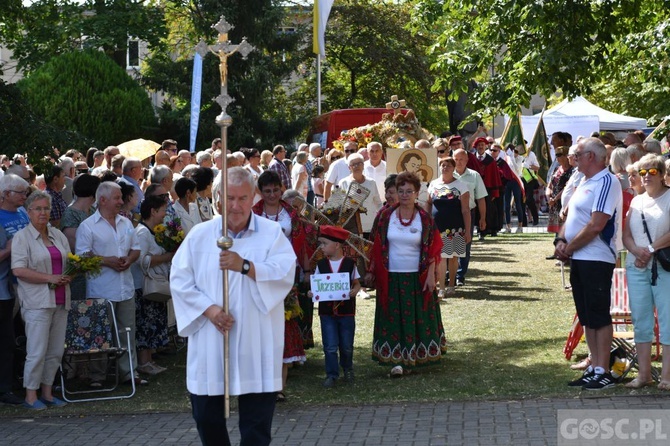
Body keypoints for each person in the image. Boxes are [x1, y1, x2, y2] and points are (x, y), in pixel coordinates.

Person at [170, 167, 296, 446]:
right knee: (206, 415)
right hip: (210, 338)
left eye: (242, 198)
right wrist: (209, 309)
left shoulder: (271, 233)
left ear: (254, 197)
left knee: (256, 424)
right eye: (229, 198)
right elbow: (179, 280)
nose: (236, 206)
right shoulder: (200, 235)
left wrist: (246, 266)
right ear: (217, 198)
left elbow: (286, 273)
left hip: (256, 338)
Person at [555, 137, 622, 390]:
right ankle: (595, 366)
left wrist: (569, 248)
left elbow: (597, 224)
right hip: (580, 258)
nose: (574, 158)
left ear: (591, 157)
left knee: (598, 314)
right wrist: (561, 239)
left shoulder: (607, 181)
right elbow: (571, 216)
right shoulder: (584, 181)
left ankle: (604, 370)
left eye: (578, 154)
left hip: (596, 257)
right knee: (586, 315)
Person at [366, 172, 446, 377]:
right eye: (400, 191)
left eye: (409, 191)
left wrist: (431, 276)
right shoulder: (385, 216)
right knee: (393, 317)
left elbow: (433, 249)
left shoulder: (425, 219)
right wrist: (371, 271)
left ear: (417, 193)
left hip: (417, 277)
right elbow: (376, 246)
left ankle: (416, 357)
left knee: (415, 317)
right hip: (391, 277)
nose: (404, 195)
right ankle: (396, 361)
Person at [75, 181, 144, 386]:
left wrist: (129, 260)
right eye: (117, 198)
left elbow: (136, 248)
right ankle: (98, 376)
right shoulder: (87, 226)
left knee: (127, 332)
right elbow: (82, 256)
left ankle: (129, 373)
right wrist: (107, 261)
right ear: (102, 200)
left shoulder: (125, 223)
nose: (121, 202)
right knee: (100, 334)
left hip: (125, 287)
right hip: (101, 289)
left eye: (121, 197)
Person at [11, 191, 72, 409]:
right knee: (36, 351)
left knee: (55, 351)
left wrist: (71, 273)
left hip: (61, 299)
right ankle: (30, 396)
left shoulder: (58, 235)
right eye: (38, 209)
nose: (43, 213)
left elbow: (69, 261)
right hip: (37, 302)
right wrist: (49, 278)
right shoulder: (21, 238)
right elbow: (18, 269)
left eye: (46, 208)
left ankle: (47, 393)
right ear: (28, 212)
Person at [622, 154, 670, 389]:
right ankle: (644, 374)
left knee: (668, 320)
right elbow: (626, 234)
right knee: (641, 322)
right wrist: (637, 252)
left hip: (663, 268)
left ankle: (667, 377)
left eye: (652, 172)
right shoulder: (636, 201)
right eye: (643, 173)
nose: (647, 176)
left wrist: (649, 249)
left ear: (662, 174)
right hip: (636, 266)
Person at [312, 225, 361, 388]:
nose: (322, 247)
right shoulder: (321, 265)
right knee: (330, 345)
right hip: (327, 313)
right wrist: (312, 293)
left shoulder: (349, 264)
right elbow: (316, 286)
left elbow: (356, 283)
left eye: (324, 243)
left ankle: (347, 368)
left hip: (346, 312)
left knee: (346, 345)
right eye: (321, 244)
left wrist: (355, 290)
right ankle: (331, 374)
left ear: (337, 245)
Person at [132, 195, 174, 376]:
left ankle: (149, 359)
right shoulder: (142, 232)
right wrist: (167, 257)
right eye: (163, 210)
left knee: (153, 323)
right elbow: (141, 260)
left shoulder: (155, 231)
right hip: (144, 286)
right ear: (153, 211)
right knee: (145, 323)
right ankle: (143, 361)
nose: (165, 214)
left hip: (155, 284)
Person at [426, 157, 471, 298]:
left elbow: (465, 210)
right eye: (443, 165)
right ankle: (441, 287)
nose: (445, 168)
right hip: (437, 227)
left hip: (455, 227)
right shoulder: (433, 184)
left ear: (453, 168)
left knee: (453, 257)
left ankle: (451, 285)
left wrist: (468, 230)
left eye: (448, 166)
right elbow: (428, 203)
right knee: (440, 257)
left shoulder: (461, 186)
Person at [453, 149, 487, 286]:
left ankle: (460, 275)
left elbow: (481, 199)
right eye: (456, 159)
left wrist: (482, 218)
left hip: (469, 212)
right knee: (450, 244)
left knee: (465, 244)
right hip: (451, 213)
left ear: (467, 161)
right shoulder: (447, 174)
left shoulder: (474, 176)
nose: (458, 162)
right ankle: (450, 273)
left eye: (461, 159)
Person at [546, 146, 573, 234]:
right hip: (554, 204)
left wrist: (555, 199)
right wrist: (549, 197)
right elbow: (549, 185)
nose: (557, 157)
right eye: (556, 155)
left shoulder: (572, 170)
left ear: (566, 156)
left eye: (559, 155)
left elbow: (567, 187)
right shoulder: (556, 169)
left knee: (564, 232)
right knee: (557, 234)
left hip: (563, 204)